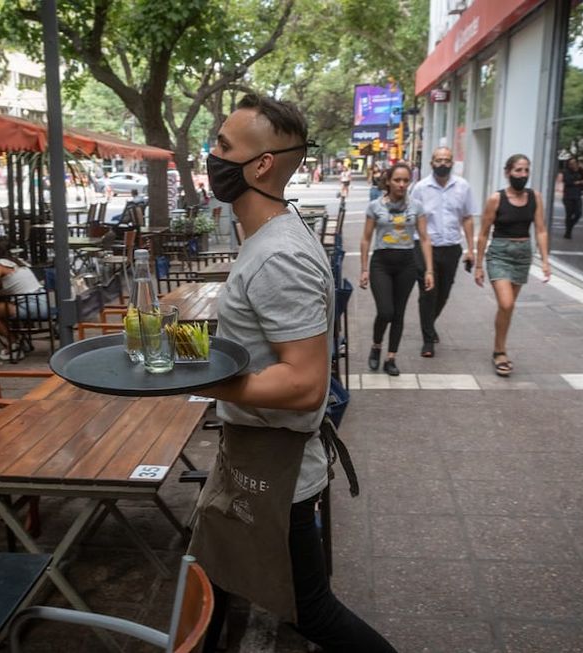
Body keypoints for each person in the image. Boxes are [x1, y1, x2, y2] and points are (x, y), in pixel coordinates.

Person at [193, 93, 396, 652]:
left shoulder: (277, 254)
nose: (212, 154)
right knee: (214, 574)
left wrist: (196, 381)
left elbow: (306, 386)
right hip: (252, 453)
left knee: (314, 613)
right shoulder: (268, 237)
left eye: (223, 146)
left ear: (260, 165)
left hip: (277, 468)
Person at [474, 154, 550, 376]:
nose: (523, 175)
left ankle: (499, 349)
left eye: (526, 171)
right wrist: (479, 265)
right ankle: (500, 351)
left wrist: (545, 261)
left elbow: (541, 229)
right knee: (506, 304)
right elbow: (484, 233)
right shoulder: (496, 199)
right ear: (507, 172)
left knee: (506, 308)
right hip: (499, 253)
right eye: (518, 170)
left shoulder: (535, 197)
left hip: (522, 254)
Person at [360, 163, 434, 376]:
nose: (401, 185)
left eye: (405, 181)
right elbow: (365, 239)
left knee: (399, 313)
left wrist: (429, 270)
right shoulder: (375, 206)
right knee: (386, 311)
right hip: (381, 262)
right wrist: (364, 269)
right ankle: (376, 346)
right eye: (397, 180)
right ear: (389, 181)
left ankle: (391, 358)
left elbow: (425, 238)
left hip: (407, 263)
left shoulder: (416, 207)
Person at [409, 146, 478, 357]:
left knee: (444, 293)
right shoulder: (420, 188)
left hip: (451, 248)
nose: (442, 163)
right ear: (431, 163)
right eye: (438, 160)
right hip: (423, 247)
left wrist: (471, 249)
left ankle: (430, 323)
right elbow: (412, 218)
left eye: (447, 160)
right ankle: (428, 339)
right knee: (428, 293)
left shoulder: (463, 187)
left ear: (452, 163)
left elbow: (467, 217)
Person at [0, 237, 48, 362]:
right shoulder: (20, 262)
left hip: (32, 306)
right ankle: (18, 340)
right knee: (6, 305)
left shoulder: (0, 263)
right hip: (44, 303)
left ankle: (13, 343)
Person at [560, 157, 583, 239]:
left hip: (577, 196)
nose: (572, 165)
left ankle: (570, 227)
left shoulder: (580, 171)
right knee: (569, 214)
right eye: (570, 163)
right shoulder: (566, 172)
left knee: (578, 213)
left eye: (574, 163)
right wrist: (579, 182)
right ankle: (568, 232)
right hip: (568, 196)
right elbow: (568, 181)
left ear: (577, 163)